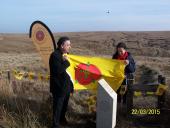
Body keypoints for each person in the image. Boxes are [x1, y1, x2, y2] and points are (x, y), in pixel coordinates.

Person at [49, 36, 74, 128]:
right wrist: (67, 62)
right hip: (58, 88)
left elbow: (69, 73)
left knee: (64, 106)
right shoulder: (55, 55)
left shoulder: (66, 55)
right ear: (62, 45)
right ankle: (55, 124)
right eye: (68, 45)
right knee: (57, 107)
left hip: (66, 87)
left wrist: (71, 86)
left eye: (69, 45)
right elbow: (58, 70)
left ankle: (62, 120)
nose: (69, 47)